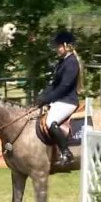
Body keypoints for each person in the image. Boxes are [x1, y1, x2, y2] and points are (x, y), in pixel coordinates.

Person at [36, 31, 82, 167]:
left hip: (68, 101)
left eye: (58, 46)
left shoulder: (72, 62)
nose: (56, 49)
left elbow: (64, 87)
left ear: (66, 46)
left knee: (50, 122)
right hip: (60, 100)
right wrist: (42, 97)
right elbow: (54, 85)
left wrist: (47, 99)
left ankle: (66, 152)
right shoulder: (62, 62)